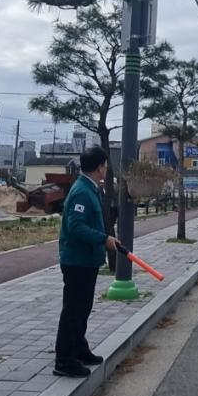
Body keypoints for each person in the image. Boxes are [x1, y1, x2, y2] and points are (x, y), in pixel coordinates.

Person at [54, 146, 120, 378]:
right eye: (105, 164)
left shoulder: (91, 188)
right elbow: (76, 226)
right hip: (77, 260)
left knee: (83, 308)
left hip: (87, 260)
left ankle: (79, 349)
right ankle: (64, 360)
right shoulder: (82, 191)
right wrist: (104, 239)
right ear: (100, 166)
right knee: (73, 310)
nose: (107, 168)